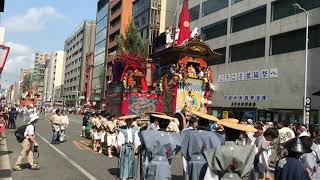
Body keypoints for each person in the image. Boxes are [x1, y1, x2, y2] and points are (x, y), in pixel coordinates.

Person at [181, 110, 223, 180]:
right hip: (206, 163)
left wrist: (187, 163)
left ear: (198, 123)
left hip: (193, 161)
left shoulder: (190, 134)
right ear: (208, 124)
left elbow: (184, 150)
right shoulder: (212, 135)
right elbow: (217, 150)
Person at [140, 114, 181, 180]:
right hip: (165, 163)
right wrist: (169, 157)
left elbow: (147, 151)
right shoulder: (170, 136)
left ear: (159, 123)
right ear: (167, 124)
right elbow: (176, 148)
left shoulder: (151, 134)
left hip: (153, 162)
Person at [117, 115, 141, 180]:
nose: (130, 122)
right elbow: (120, 139)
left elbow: (136, 138)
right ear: (126, 121)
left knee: (131, 162)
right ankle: (124, 176)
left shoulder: (134, 129)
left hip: (132, 147)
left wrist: (137, 145)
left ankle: (129, 175)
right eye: (128, 120)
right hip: (125, 147)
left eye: (131, 120)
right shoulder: (122, 129)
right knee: (125, 161)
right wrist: (120, 145)